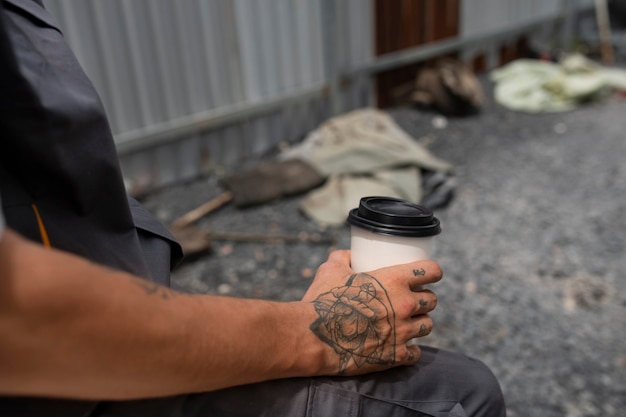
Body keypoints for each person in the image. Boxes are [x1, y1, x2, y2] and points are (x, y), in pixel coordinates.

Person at [0, 1, 506, 416]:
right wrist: (319, 332)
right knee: (461, 394)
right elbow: (26, 318)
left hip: (119, 338)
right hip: (99, 386)